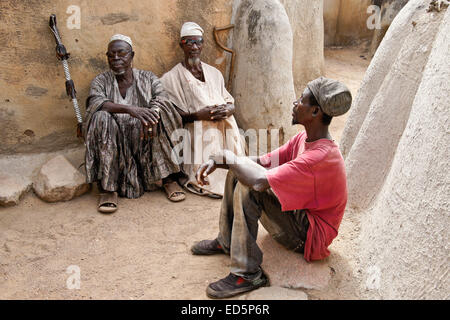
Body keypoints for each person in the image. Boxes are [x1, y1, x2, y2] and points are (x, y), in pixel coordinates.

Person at [191, 77, 352, 299]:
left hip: (309, 237)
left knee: (250, 186)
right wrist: (220, 158)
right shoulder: (304, 138)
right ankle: (226, 241)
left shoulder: (320, 157)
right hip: (300, 217)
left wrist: (229, 157)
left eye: (300, 100)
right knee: (240, 170)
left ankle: (247, 274)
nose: (295, 103)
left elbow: (258, 181)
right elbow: (262, 162)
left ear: (315, 112)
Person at [84, 34, 186, 214]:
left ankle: (168, 179)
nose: (116, 59)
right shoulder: (100, 81)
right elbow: (96, 102)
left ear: (132, 55)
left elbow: (162, 98)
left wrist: (152, 115)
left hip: (144, 135)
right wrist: (131, 110)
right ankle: (109, 189)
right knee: (100, 117)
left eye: (121, 53)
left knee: (159, 112)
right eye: (111, 55)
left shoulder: (148, 77)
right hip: (114, 137)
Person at [161, 22, 245, 198]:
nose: (194, 47)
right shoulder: (171, 77)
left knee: (231, 127)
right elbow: (172, 114)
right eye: (189, 42)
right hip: (195, 127)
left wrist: (228, 109)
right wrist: (198, 115)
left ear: (202, 44)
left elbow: (230, 100)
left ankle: (235, 177)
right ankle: (209, 181)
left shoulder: (214, 73)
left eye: (198, 42)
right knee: (207, 130)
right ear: (181, 45)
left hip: (223, 124)